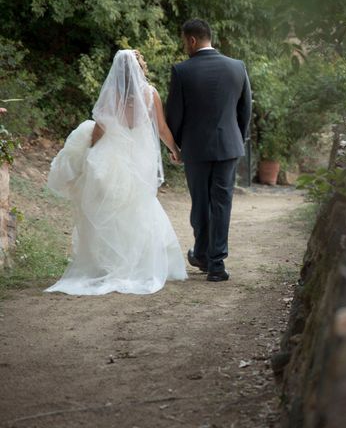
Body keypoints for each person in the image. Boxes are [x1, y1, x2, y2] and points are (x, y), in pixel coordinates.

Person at [45, 49, 187, 295]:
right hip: (140, 158)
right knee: (139, 206)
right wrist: (174, 149)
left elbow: (100, 128)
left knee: (110, 210)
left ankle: (110, 263)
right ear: (140, 69)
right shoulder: (150, 93)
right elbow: (161, 128)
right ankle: (140, 263)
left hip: (112, 156)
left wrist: (89, 149)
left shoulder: (112, 93)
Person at [166, 19, 252, 282]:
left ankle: (202, 254)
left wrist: (177, 146)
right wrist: (237, 138)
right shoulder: (237, 67)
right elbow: (245, 109)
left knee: (201, 203)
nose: (185, 47)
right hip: (229, 145)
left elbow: (175, 115)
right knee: (222, 203)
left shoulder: (182, 71)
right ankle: (216, 264)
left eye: (184, 42)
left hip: (196, 148)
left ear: (192, 40)